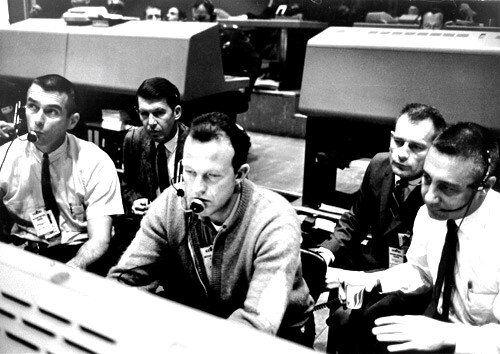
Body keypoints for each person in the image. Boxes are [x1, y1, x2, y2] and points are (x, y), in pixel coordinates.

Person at [108, 112, 313, 344]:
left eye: (212, 176)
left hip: (278, 337)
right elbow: (123, 282)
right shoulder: (169, 204)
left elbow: (257, 326)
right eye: (189, 171)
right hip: (201, 323)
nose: (196, 188)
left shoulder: (275, 220)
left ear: (240, 174)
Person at [328, 122, 500, 353]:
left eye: (447, 188)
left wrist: (450, 336)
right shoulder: (430, 215)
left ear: (485, 187)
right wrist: (371, 280)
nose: (429, 197)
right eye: (427, 179)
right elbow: (421, 271)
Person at [320, 103, 446, 353]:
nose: (401, 154)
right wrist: (326, 252)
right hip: (371, 266)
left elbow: (426, 274)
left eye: (416, 147)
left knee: (356, 321)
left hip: (414, 286)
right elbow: (355, 220)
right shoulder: (379, 166)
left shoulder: (442, 192)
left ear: (436, 150)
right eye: (398, 142)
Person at [0, 74, 123, 270]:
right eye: (32, 107)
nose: (37, 121)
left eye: (51, 112)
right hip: (24, 252)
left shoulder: (95, 161)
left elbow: (99, 239)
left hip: (76, 253)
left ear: (72, 122)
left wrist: (74, 267)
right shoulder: (5, 157)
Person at [121, 77, 189, 217]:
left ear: (176, 112)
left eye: (159, 113)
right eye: (144, 114)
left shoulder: (195, 143)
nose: (151, 122)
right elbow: (128, 186)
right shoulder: (133, 139)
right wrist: (135, 200)